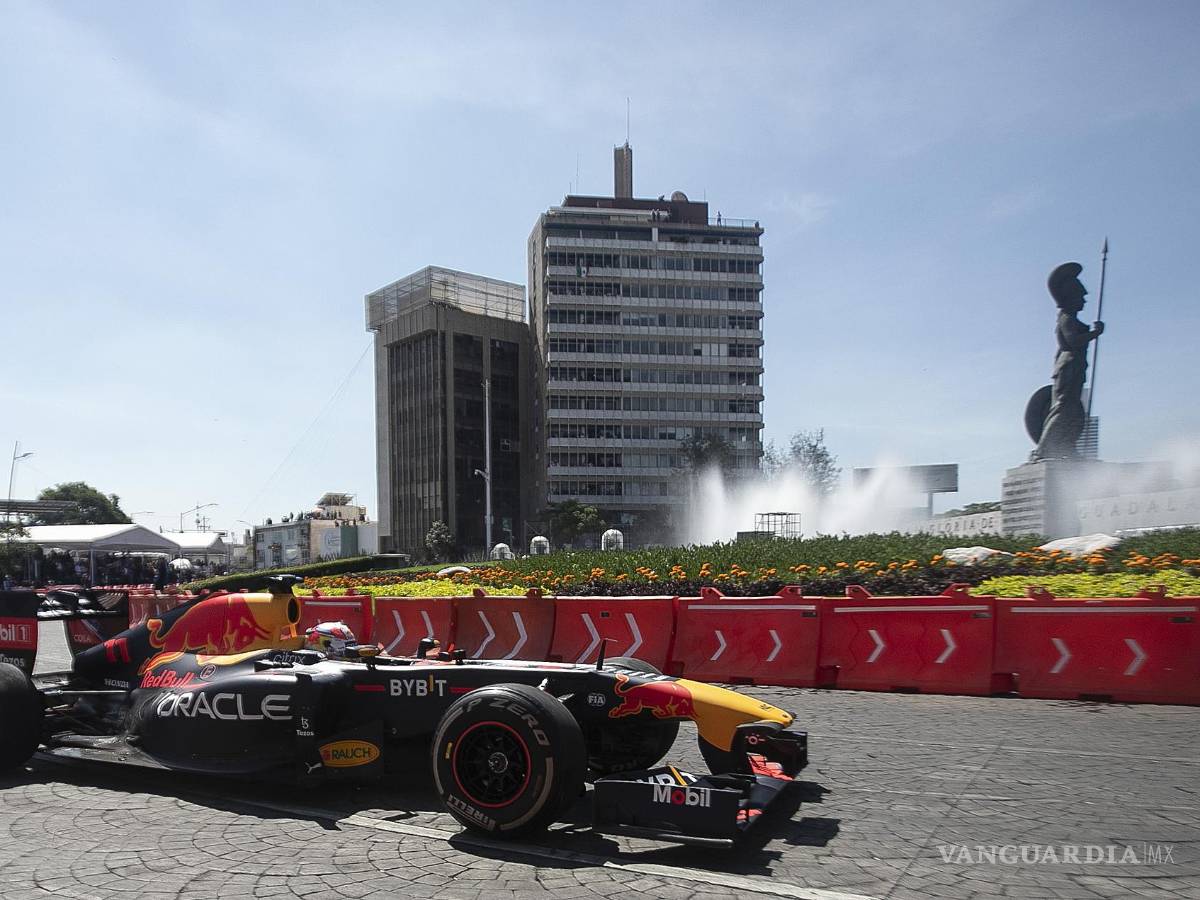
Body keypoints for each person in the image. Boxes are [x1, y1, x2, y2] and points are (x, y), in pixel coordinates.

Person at [1032, 262, 1104, 461]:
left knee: (1074, 412)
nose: (1084, 300)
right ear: (1070, 297)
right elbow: (1073, 341)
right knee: (1064, 408)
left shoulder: (1069, 317)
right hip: (1068, 367)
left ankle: (1067, 446)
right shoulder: (1066, 318)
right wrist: (1094, 334)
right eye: (1081, 296)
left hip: (1074, 367)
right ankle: (1043, 450)